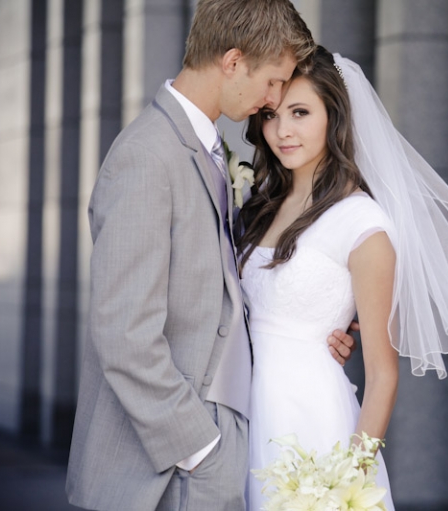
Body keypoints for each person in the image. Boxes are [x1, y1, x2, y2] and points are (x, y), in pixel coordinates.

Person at [65, 2, 357, 510]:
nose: (273, 101)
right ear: (232, 61)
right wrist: (201, 449)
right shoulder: (147, 156)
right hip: (164, 469)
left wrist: (316, 323)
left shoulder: (205, 148)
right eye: (272, 82)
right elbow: (124, 332)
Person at [239, 46, 448, 510]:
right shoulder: (261, 205)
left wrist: (344, 486)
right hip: (248, 414)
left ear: (333, 118)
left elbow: (382, 375)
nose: (283, 130)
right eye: (272, 115)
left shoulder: (362, 224)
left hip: (313, 424)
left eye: (301, 112)